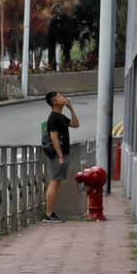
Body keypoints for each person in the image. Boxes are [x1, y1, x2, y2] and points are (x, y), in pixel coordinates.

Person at [43, 90, 79, 223]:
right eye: (60, 97)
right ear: (55, 102)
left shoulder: (61, 117)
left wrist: (71, 109)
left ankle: (50, 212)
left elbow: (75, 124)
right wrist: (60, 156)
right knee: (54, 182)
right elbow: (54, 137)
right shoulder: (53, 118)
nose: (64, 97)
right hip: (58, 155)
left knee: (56, 183)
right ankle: (48, 214)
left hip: (62, 154)